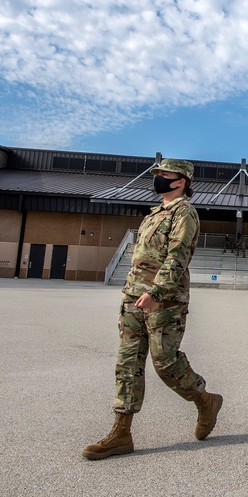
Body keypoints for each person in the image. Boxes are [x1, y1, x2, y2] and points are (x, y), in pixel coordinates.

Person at [82, 158, 223, 460]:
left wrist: (157, 292)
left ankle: (205, 400)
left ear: (180, 181)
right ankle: (121, 432)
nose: (157, 179)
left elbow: (177, 256)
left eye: (163, 175)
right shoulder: (153, 214)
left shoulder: (184, 213)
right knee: (127, 362)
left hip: (165, 299)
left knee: (165, 363)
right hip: (134, 297)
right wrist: (134, 293)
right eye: (157, 174)